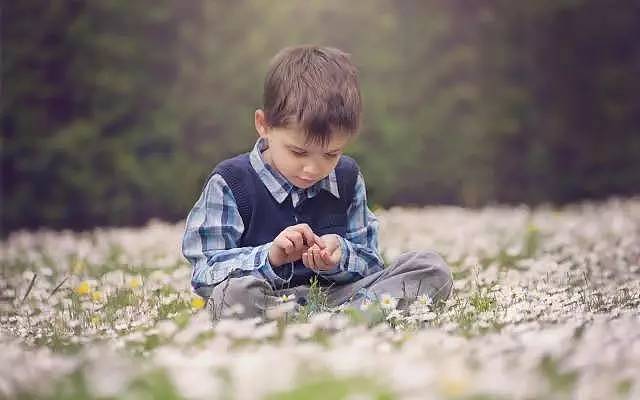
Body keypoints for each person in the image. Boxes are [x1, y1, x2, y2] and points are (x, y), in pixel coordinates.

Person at [181, 45, 453, 320]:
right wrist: (271, 257)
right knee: (230, 296)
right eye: (298, 152)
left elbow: (371, 263)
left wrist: (339, 256)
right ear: (263, 125)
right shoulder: (231, 182)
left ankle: (340, 322)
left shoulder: (346, 177)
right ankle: (340, 323)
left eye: (331, 154)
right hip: (266, 301)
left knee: (431, 268)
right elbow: (205, 273)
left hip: (341, 298)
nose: (313, 168)